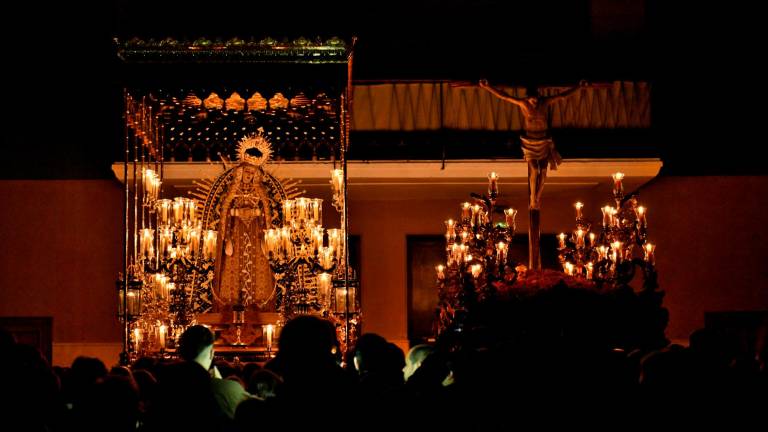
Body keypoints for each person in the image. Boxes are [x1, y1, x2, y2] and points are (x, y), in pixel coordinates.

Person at [478, 79, 588, 209]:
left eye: (536, 99)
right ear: (527, 97)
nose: (534, 101)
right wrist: (488, 87)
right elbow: (505, 97)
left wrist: (578, 87)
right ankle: (532, 198)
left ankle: (537, 197)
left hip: (544, 141)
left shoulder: (544, 102)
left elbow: (562, 96)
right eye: (532, 99)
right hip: (529, 142)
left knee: (543, 170)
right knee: (535, 169)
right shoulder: (523, 103)